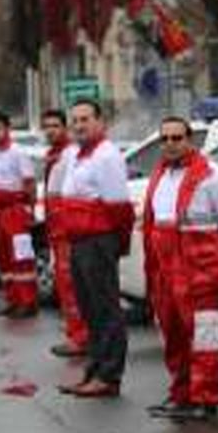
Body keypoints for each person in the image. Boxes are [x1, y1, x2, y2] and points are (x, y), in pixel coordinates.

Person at [142, 116, 218, 422]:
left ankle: (206, 398)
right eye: (165, 139)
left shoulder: (212, 175)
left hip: (201, 273)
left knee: (205, 338)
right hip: (166, 270)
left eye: (177, 138)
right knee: (173, 336)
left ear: (190, 140)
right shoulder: (160, 175)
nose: (171, 144)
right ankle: (181, 394)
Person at [56, 99, 134, 399]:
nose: (78, 125)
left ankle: (109, 375)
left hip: (97, 240)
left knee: (105, 308)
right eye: (74, 120)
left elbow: (119, 207)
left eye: (85, 119)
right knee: (90, 310)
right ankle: (95, 370)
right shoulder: (76, 154)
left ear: (100, 122)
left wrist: (115, 244)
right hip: (79, 239)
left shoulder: (106, 156)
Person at [42, 108, 88, 356]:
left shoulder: (70, 154)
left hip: (66, 228)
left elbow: (67, 195)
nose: (50, 130)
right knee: (65, 285)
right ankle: (76, 333)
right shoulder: (54, 155)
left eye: (55, 125)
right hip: (57, 227)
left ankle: (80, 337)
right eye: (46, 126)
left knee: (70, 286)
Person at [0, 110, 38, 319]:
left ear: (7, 129)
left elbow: (29, 182)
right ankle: (12, 300)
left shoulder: (17, 152)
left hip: (16, 211)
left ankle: (28, 301)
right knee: (4, 258)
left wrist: (30, 211)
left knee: (21, 258)